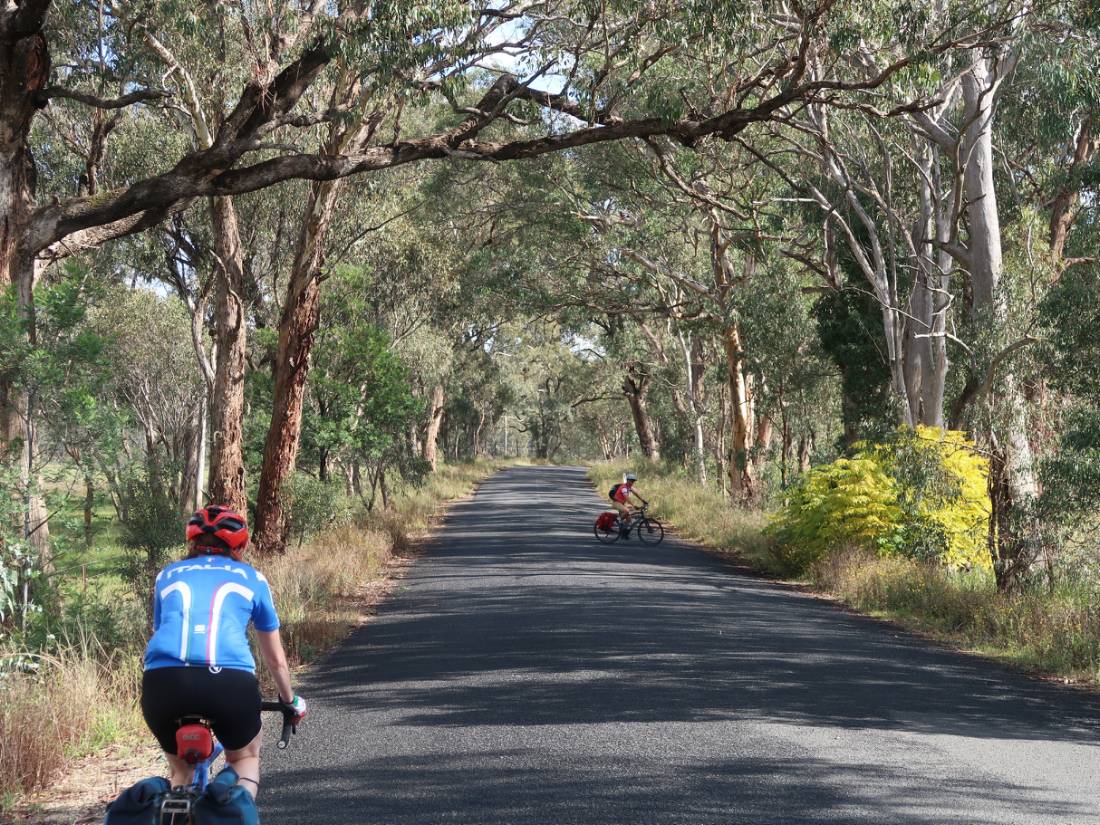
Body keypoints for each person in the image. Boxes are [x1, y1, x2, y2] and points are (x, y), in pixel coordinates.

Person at [141, 504, 307, 799]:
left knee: (181, 771)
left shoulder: (166, 575)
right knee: (244, 757)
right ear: (240, 545)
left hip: (163, 684)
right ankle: (236, 811)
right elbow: (276, 660)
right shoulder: (253, 579)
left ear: (192, 542)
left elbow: (160, 631)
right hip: (228, 683)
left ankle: (179, 804)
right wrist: (289, 701)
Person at [610, 472, 646, 538]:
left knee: (629, 519)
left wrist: (643, 500)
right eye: (631, 481)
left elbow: (636, 494)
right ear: (628, 480)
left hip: (621, 504)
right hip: (616, 503)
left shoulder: (629, 487)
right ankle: (619, 521)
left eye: (633, 481)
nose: (632, 482)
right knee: (627, 511)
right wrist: (633, 505)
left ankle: (623, 533)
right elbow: (627, 498)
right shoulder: (624, 488)